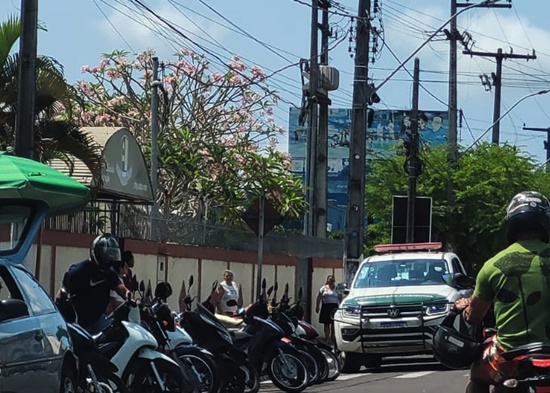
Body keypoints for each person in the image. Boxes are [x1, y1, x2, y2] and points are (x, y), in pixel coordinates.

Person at [453, 191, 550, 393]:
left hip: (509, 356)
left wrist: (463, 308)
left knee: (477, 377)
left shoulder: (493, 266)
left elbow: (473, 318)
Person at [61, 234, 131, 334]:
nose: (108, 261)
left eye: (110, 259)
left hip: (99, 319)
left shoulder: (109, 273)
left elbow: (120, 287)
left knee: (114, 338)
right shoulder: (78, 271)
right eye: (105, 258)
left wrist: (127, 295)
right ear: (96, 253)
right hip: (77, 322)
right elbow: (62, 292)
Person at [315, 275, 341, 344]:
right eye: (330, 280)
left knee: (333, 323)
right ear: (327, 280)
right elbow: (319, 297)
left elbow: (340, 298)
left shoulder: (337, 289)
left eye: (332, 280)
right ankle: (327, 338)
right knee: (326, 323)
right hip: (326, 307)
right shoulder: (323, 288)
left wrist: (341, 307)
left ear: (334, 281)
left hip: (334, 307)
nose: (331, 281)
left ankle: (333, 337)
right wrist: (317, 306)